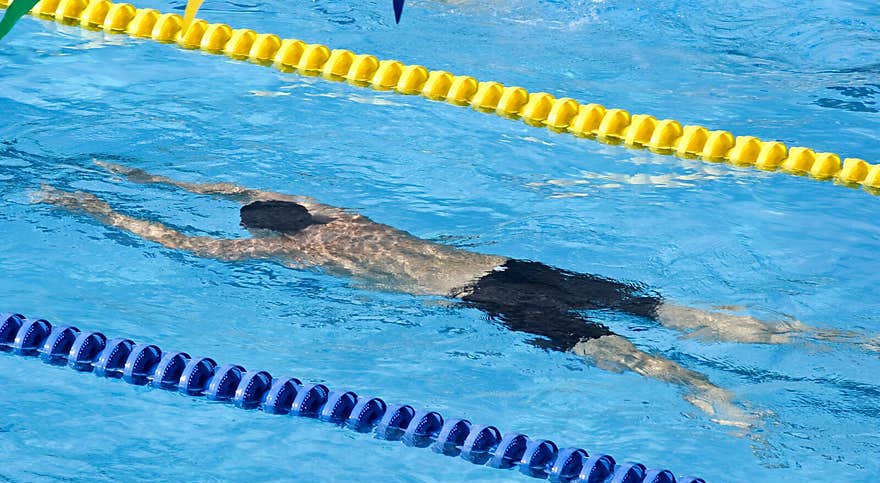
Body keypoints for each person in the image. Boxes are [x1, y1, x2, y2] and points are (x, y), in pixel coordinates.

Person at [34, 162, 826, 429]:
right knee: (667, 310)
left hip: (492, 299)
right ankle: (842, 340)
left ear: (276, 235)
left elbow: (177, 240)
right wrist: (145, 174)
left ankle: (711, 398)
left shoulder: (297, 254)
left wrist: (102, 206)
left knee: (626, 354)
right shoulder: (340, 212)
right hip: (517, 264)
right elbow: (241, 186)